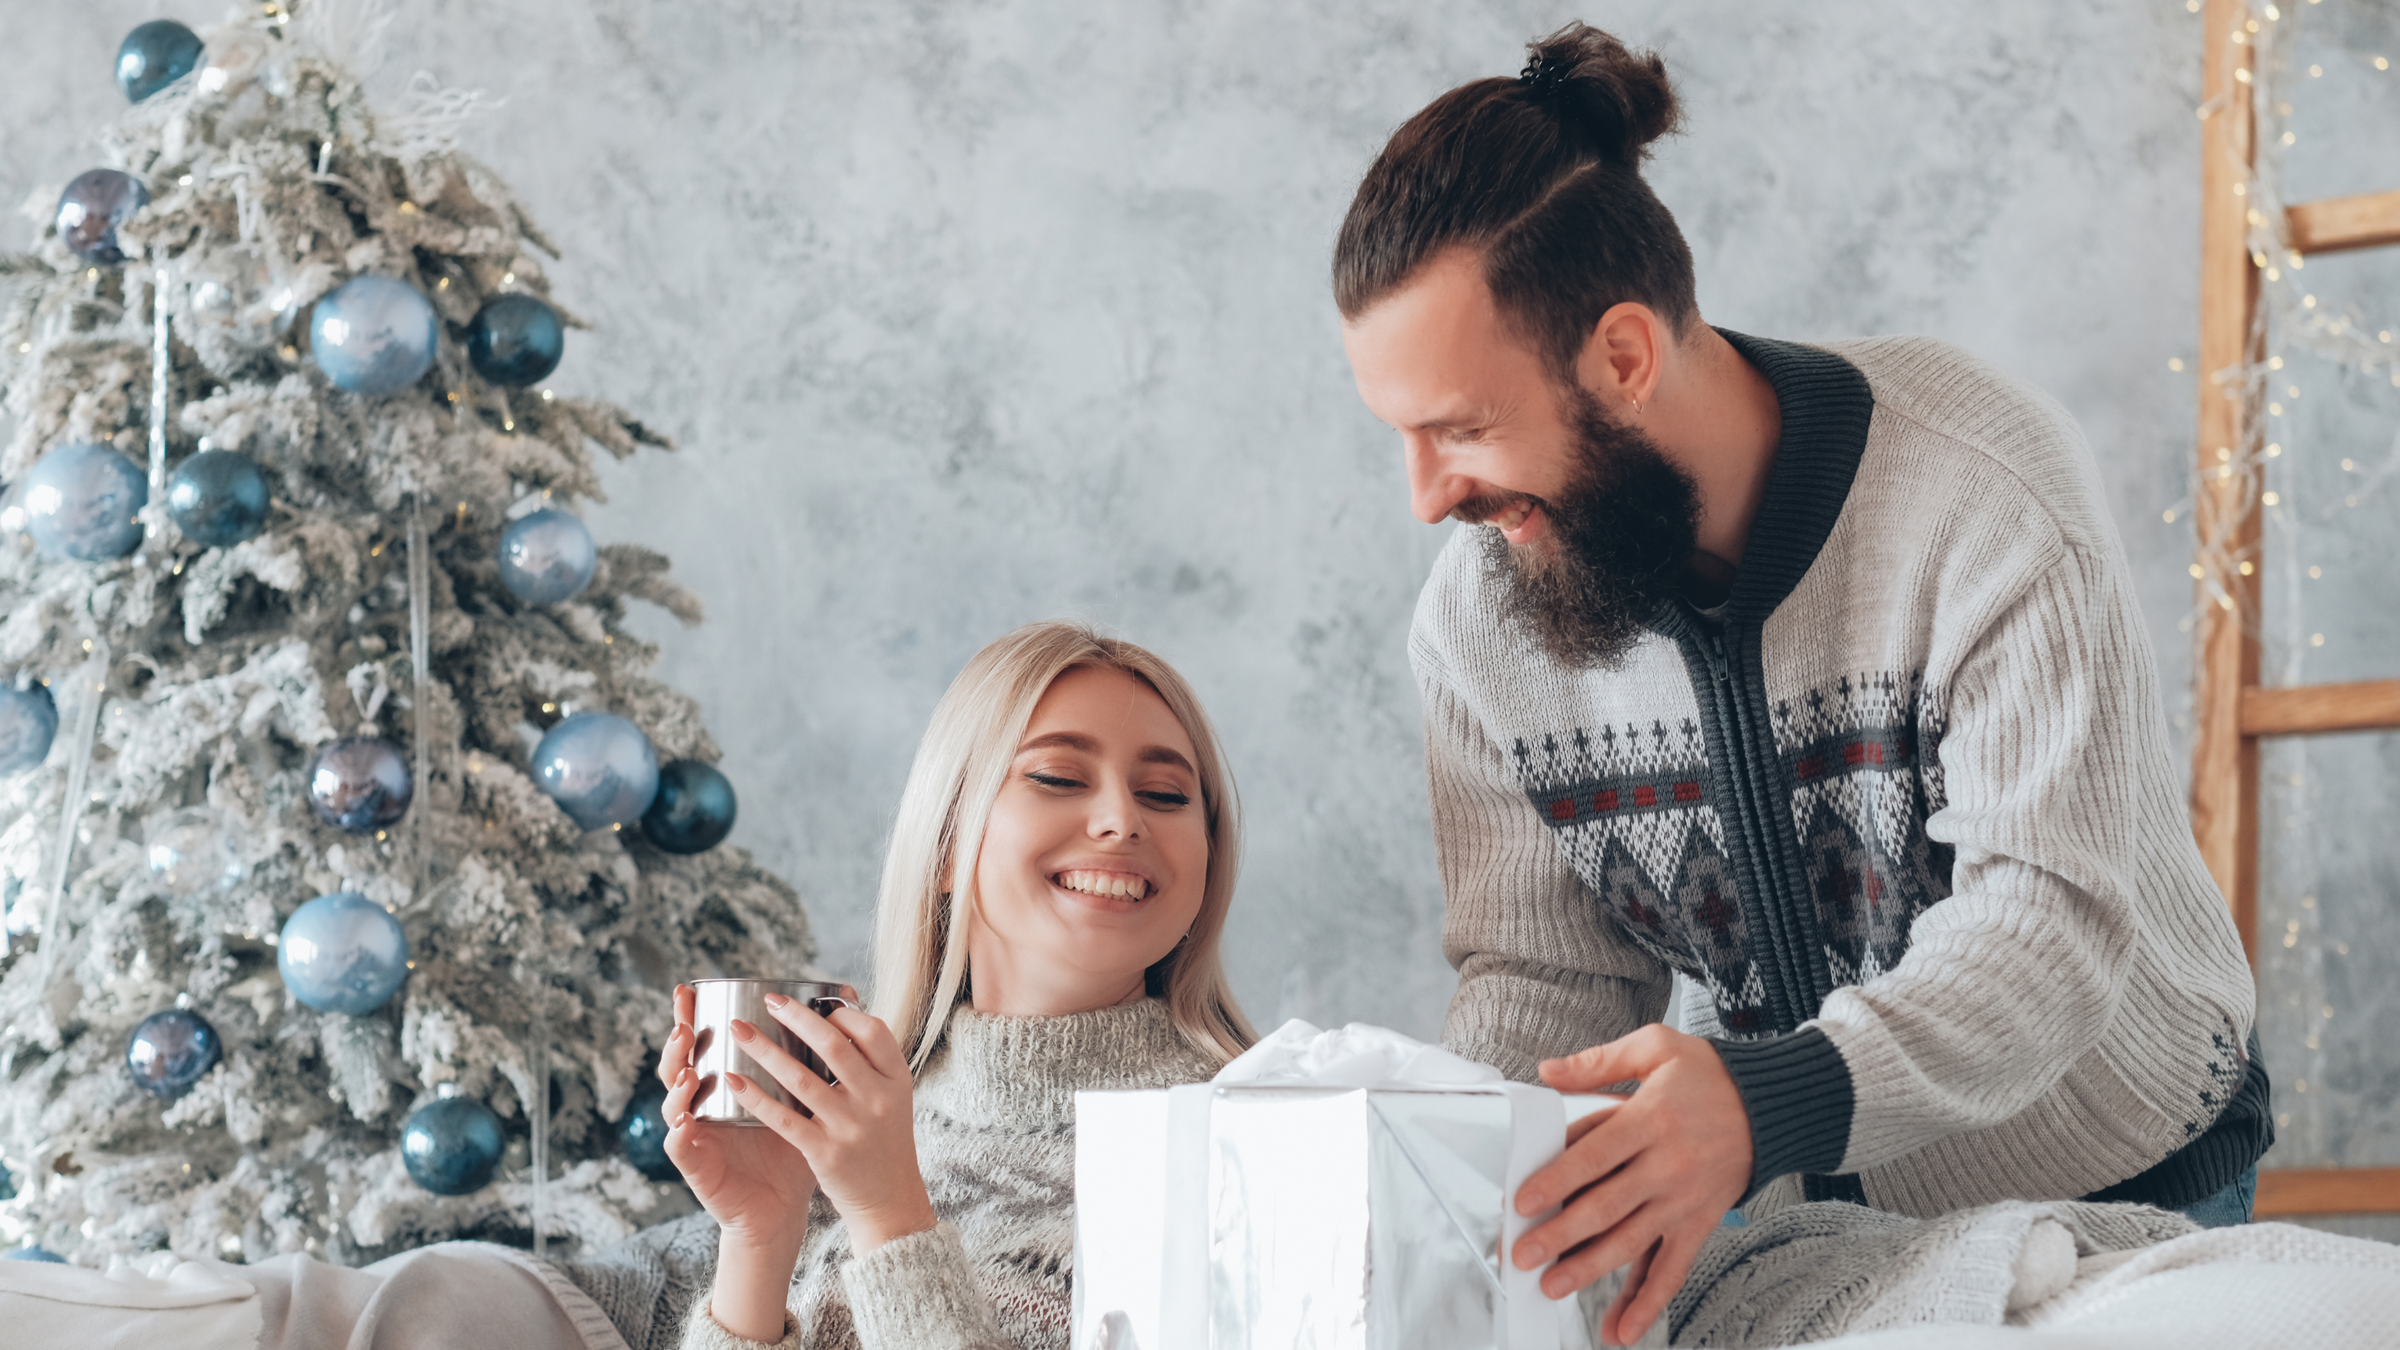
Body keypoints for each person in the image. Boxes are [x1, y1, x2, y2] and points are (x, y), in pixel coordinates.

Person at [1332, 22, 2268, 1346]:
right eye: (1403, 437)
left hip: (2115, 1172)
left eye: (1462, 429)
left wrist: (1772, 1094)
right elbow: (1545, 973)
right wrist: (1454, 1197)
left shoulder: (1980, 491)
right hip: (1797, 1225)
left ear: (1623, 358)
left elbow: (2050, 928)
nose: (1430, 497)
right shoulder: (1483, 614)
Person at [648, 621, 1253, 1350]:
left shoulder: (1248, 1143)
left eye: (1164, 793)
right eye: (1058, 777)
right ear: (943, 843)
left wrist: (890, 1216)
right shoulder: (854, 1127)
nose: (1122, 820)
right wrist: (761, 1233)